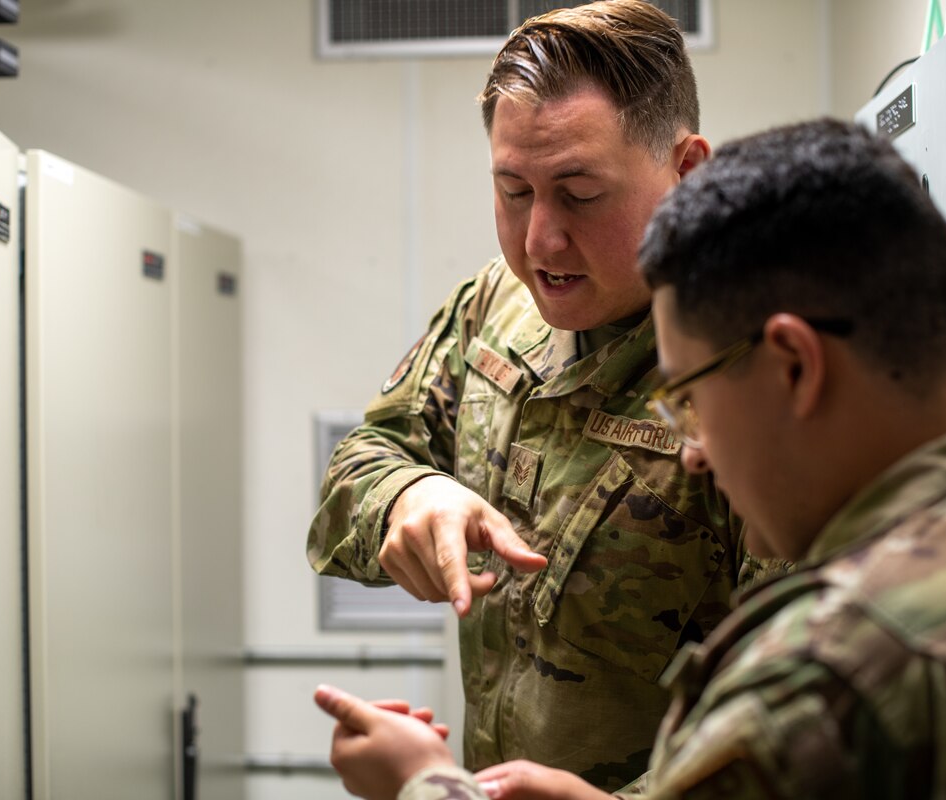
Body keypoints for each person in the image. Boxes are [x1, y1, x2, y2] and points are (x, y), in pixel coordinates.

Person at [314, 117, 946, 799]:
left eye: (690, 398)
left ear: (793, 366)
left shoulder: (828, 678)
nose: (694, 452)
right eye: (513, 190)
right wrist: (409, 493)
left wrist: (423, 780)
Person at [307, 1, 767, 789]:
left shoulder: (754, 376)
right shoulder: (496, 306)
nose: (539, 240)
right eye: (514, 190)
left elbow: (795, 740)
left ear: (688, 171)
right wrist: (409, 496)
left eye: (579, 193)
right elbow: (358, 465)